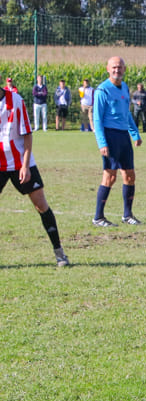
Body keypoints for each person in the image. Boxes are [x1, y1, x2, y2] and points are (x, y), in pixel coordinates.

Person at [0, 83, 70, 267]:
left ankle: (59, 253)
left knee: (41, 205)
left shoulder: (15, 100)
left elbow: (27, 135)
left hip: (20, 162)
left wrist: (25, 166)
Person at [92, 56, 143, 227]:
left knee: (129, 176)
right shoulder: (102, 90)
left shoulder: (125, 88)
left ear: (124, 69)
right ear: (107, 69)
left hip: (123, 137)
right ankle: (98, 217)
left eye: (120, 67)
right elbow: (97, 119)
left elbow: (126, 113)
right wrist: (102, 143)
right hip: (110, 136)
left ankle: (127, 215)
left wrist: (134, 134)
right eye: (114, 67)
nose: (117, 70)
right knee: (109, 176)